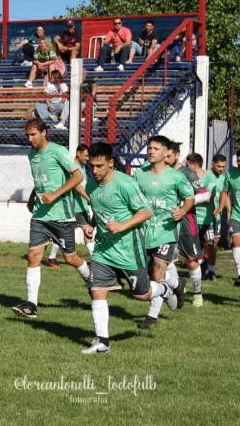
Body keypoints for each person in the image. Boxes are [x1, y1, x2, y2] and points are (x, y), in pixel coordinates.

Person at [81, 142, 176, 354]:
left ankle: (165, 289)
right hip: (104, 250)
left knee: (142, 294)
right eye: (91, 166)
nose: (95, 171)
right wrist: (91, 226)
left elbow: (145, 212)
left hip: (128, 250)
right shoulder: (91, 185)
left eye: (99, 166)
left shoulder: (125, 184)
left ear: (111, 163)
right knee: (96, 290)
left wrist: (122, 225)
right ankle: (103, 343)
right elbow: (99, 210)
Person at [11, 118, 91, 318]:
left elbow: (77, 177)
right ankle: (31, 304)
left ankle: (92, 281)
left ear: (44, 132)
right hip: (40, 215)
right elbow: (39, 182)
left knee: (70, 258)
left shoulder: (58, 151)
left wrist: (55, 195)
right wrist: (32, 198)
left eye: (33, 134)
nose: (30, 139)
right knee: (33, 256)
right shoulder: (31, 154)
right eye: (27, 135)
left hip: (61, 216)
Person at [133, 136, 192, 328]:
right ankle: (176, 284)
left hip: (166, 230)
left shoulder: (176, 176)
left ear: (166, 153)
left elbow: (189, 197)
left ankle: (151, 317)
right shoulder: (140, 174)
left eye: (156, 148)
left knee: (157, 270)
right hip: (145, 230)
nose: (151, 151)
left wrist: (182, 211)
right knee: (153, 273)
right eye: (149, 148)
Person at [45, 144, 94, 267]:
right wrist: (89, 198)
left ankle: (51, 257)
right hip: (74, 207)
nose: (87, 158)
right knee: (87, 231)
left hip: (81, 206)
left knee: (65, 234)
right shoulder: (72, 167)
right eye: (86, 155)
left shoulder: (82, 167)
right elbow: (76, 186)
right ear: (78, 153)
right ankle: (95, 260)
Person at [174, 150, 211, 307]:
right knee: (163, 259)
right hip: (162, 222)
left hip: (186, 220)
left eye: (168, 154)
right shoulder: (152, 172)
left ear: (175, 155)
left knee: (191, 260)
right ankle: (173, 288)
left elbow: (205, 195)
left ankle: (197, 293)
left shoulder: (187, 173)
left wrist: (185, 203)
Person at [215, 148, 240, 286]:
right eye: (238, 160)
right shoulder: (231, 173)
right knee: (236, 241)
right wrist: (221, 207)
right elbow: (225, 192)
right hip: (237, 214)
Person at [186, 153, 220, 280]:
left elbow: (208, 198)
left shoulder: (209, 178)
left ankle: (211, 271)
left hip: (206, 218)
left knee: (209, 246)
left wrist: (189, 199)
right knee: (192, 246)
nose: (185, 167)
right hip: (192, 217)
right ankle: (199, 269)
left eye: (187, 164)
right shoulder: (188, 177)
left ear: (194, 166)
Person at [204, 154, 227, 280]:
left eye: (223, 167)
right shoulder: (205, 175)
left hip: (217, 215)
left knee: (214, 242)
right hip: (205, 215)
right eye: (219, 166)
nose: (221, 169)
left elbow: (225, 194)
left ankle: (211, 270)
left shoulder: (223, 178)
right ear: (212, 163)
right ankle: (204, 265)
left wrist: (227, 210)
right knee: (206, 243)